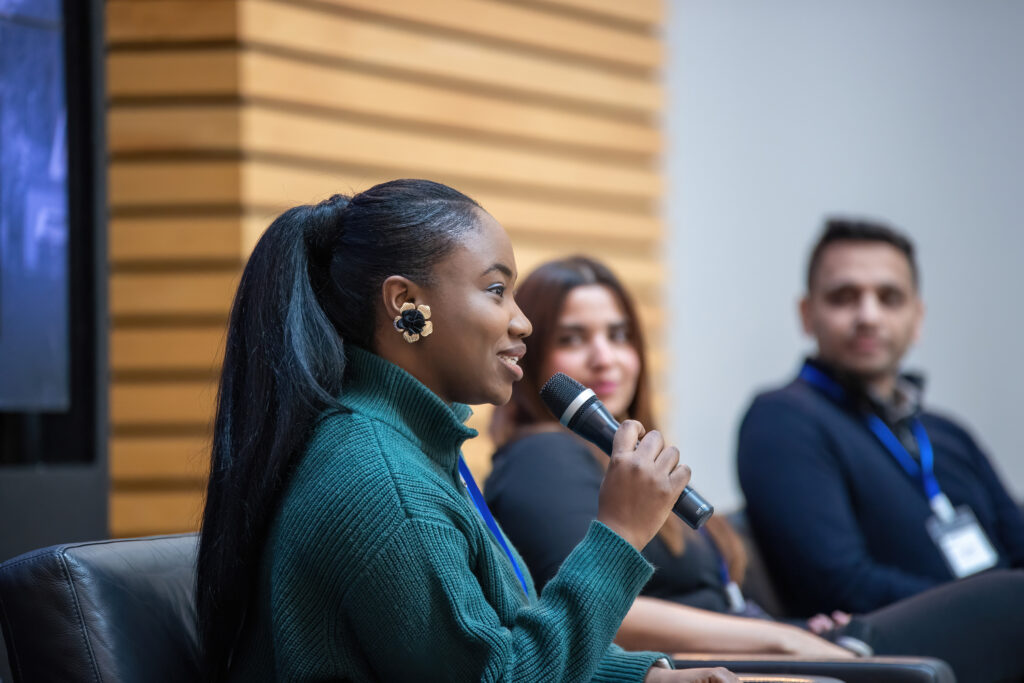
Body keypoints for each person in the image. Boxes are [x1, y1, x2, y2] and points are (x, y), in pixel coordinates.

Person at [194, 180, 737, 683]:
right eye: (496, 290)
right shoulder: (383, 478)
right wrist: (618, 533)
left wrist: (646, 678)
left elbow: (504, 645)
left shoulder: (412, 450)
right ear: (406, 306)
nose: (521, 322)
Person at [485, 255, 1024, 683]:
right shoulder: (543, 455)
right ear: (532, 356)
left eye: (620, 335)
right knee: (1010, 600)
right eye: (573, 338)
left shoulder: (623, 462)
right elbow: (588, 609)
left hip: (778, 646)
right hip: (740, 664)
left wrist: (783, 625)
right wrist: (784, 641)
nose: (605, 357)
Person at [737, 218, 1024, 617]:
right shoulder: (783, 420)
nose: (868, 315)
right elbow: (840, 584)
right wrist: (999, 608)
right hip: (900, 655)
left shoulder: (948, 433)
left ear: (917, 318)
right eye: (844, 297)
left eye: (890, 298)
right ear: (807, 314)